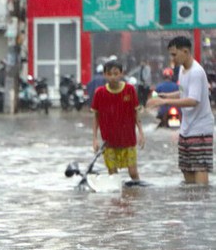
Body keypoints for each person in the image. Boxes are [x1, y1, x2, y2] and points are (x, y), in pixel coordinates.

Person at [147, 36, 214, 184]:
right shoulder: (183, 69)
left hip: (200, 128)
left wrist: (165, 101)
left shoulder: (196, 72)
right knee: (186, 167)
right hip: (187, 127)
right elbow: (185, 92)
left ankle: (202, 204)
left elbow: (193, 100)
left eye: (174, 54)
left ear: (186, 51)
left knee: (199, 166)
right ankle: (189, 205)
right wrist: (167, 95)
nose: (172, 58)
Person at [91, 59, 145, 183]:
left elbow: (136, 113)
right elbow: (96, 117)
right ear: (104, 75)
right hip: (109, 142)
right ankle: (116, 201)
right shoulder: (100, 93)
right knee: (113, 176)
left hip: (128, 140)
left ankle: (135, 197)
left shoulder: (130, 90)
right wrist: (94, 138)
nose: (113, 77)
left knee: (133, 173)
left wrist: (141, 133)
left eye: (116, 74)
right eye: (109, 74)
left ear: (121, 74)